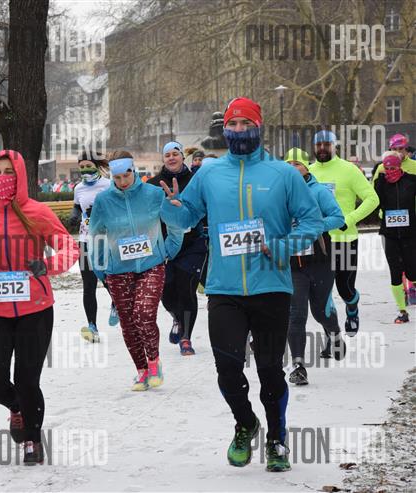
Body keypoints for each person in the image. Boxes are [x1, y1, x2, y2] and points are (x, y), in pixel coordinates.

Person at [161, 97, 323, 472]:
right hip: (224, 288)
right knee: (228, 369)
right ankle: (246, 423)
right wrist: (171, 207)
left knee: (269, 371)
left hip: (271, 287)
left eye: (245, 124)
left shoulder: (283, 174)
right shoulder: (209, 173)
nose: (237, 131)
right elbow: (186, 217)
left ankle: (277, 439)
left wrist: (282, 246)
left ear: (259, 126)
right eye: (232, 125)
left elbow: (312, 222)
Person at [0, 149, 79, 465]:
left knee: (27, 380)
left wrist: (47, 265)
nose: (3, 178)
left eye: (9, 172)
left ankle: (32, 441)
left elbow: (69, 247)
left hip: (35, 309)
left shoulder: (37, 211)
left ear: (20, 175)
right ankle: (16, 407)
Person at [88, 151, 184, 391]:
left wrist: (169, 249)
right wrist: (101, 267)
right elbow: (96, 235)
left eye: (126, 175)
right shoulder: (103, 201)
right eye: (117, 177)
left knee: (143, 314)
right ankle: (141, 371)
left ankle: (154, 363)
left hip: (151, 265)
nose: (123, 181)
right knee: (129, 323)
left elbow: (173, 222)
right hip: (118, 270)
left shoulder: (153, 194)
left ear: (134, 170)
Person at [283, 148, 346, 386]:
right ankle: (298, 366)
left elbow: (338, 218)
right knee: (296, 315)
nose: (293, 168)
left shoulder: (319, 191)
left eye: (297, 164)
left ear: (306, 167)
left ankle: (334, 333)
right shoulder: (279, 193)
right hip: (293, 264)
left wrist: (313, 225)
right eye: (288, 164)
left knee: (320, 310)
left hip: (320, 261)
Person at [308, 130, 379, 336]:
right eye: (318, 145)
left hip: (344, 240)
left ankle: (352, 308)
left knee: (345, 288)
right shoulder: (309, 172)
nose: (322, 148)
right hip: (318, 242)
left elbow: (372, 199)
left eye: (327, 144)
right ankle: (331, 334)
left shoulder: (349, 170)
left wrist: (350, 219)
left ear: (334, 146)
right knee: (322, 292)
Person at [148, 141, 208, 356]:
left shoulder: (195, 180)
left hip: (193, 243)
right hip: (164, 246)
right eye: (167, 155)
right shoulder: (153, 184)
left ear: (183, 156)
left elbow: (206, 207)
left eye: (175, 153)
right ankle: (176, 317)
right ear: (163, 159)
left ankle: (186, 337)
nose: (171, 158)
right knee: (166, 292)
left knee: (186, 287)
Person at [68, 150, 114, 343]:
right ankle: (92, 326)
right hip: (86, 240)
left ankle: (117, 304)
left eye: (88, 166)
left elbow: (117, 207)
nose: (85, 170)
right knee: (88, 284)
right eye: (82, 167)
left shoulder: (108, 184)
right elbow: (77, 206)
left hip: (106, 239)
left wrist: (101, 211)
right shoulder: (78, 188)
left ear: (96, 166)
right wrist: (74, 215)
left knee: (108, 279)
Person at [373, 151, 416, 324]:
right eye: (387, 168)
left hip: (410, 234)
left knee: (412, 272)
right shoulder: (381, 183)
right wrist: (379, 182)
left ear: (400, 166)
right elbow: (374, 202)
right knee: (395, 272)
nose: (390, 171)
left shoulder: (411, 180)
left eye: (393, 168)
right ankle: (402, 311)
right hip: (389, 235)